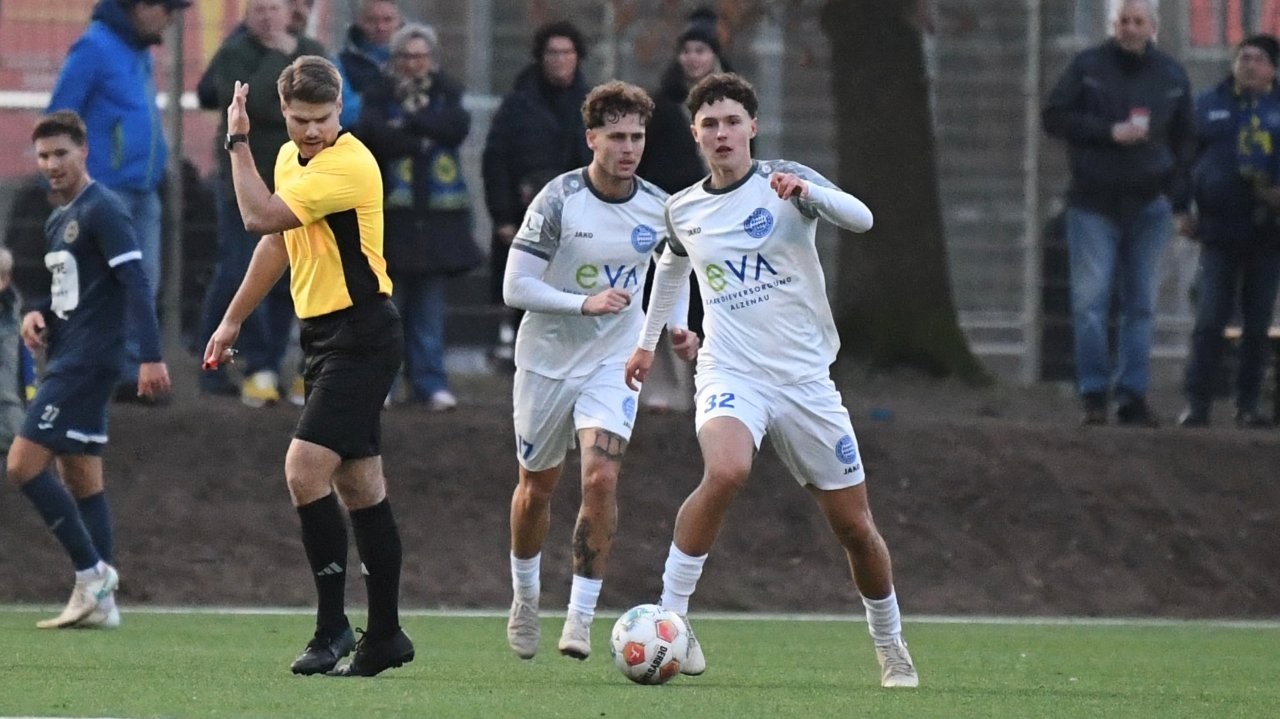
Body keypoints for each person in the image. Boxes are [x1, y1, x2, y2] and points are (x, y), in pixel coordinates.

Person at [624, 73, 919, 689]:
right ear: (695, 134)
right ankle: (672, 619)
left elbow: (863, 219)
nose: (722, 134)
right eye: (710, 124)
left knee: (855, 528)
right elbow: (671, 268)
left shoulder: (785, 181)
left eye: (733, 122)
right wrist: (651, 343)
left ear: (752, 127)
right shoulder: (684, 208)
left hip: (806, 380)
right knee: (727, 470)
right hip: (731, 370)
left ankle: (890, 643)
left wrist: (810, 192)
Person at [203, 56, 413, 677]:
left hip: (364, 334)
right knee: (361, 487)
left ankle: (332, 629)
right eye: (300, 120)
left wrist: (237, 141)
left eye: (323, 117)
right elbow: (279, 241)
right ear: (285, 112)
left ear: (340, 108)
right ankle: (386, 636)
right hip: (323, 336)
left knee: (303, 468)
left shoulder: (349, 163)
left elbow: (257, 217)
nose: (313, 130)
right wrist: (233, 320)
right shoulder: (291, 160)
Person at [502, 80, 697, 661]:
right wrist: (582, 303)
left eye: (637, 136)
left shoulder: (660, 206)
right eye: (616, 136)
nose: (628, 147)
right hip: (546, 361)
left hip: (614, 361)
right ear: (591, 138)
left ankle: (580, 618)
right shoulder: (558, 200)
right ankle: (526, 597)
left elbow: (676, 268)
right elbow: (515, 286)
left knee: (601, 479)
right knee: (536, 488)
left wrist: (677, 325)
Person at [7, 110, 171, 630]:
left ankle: (93, 573)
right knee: (79, 475)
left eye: (61, 153)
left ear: (84, 152)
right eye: (43, 156)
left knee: (22, 465)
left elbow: (135, 282)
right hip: (69, 353)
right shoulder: (60, 218)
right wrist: (39, 315)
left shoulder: (104, 209)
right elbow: (74, 294)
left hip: (87, 361)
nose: (52, 164)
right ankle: (101, 604)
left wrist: (150, 355)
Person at [1042, 0, 1194, 426]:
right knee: (1090, 302)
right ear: (1114, 26)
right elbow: (1055, 116)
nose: (1129, 28)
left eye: (1137, 21)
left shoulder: (1171, 75)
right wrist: (1108, 132)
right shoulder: (1087, 66)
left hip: (1149, 204)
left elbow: (1186, 139)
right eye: (1123, 21)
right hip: (1093, 203)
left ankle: (1132, 394)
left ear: (1152, 28)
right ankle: (1094, 393)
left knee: (1141, 304)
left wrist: (1176, 194)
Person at [46, 0, 188, 400]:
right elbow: (60, 114)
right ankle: (91, 370)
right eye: (167, 8)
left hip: (140, 189)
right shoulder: (95, 48)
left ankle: (126, 373)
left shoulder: (133, 50)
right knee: (104, 285)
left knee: (141, 281)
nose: (170, 18)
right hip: (107, 191)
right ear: (141, 7)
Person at [196, 0, 328, 405]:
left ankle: (273, 363)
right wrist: (278, 58)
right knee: (243, 271)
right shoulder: (235, 54)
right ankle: (254, 365)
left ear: (290, 12)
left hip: (299, 184)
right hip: (244, 185)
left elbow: (317, 108)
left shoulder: (312, 51)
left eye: (273, 8)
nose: (266, 17)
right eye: (257, 9)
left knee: (289, 276)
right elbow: (250, 108)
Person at [358, 23, 478, 410]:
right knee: (388, 309)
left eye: (421, 56)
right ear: (396, 59)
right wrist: (424, 136)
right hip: (393, 221)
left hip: (438, 225)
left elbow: (455, 127)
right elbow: (375, 135)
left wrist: (407, 125)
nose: (414, 63)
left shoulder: (448, 93)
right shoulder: (378, 94)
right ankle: (385, 383)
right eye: (407, 56)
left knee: (429, 312)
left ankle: (430, 383)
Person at [1178, 34, 1280, 428]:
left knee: (1257, 324)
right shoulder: (1210, 105)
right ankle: (1197, 402)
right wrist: (1181, 207)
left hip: (1268, 234)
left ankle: (1248, 403)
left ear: (1272, 69)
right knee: (1209, 320)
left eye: (1258, 59)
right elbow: (1186, 159)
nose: (1249, 65)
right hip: (1218, 230)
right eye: (1243, 58)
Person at [634, 7, 731, 412]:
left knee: (713, 301)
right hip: (672, 219)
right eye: (687, 51)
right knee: (667, 297)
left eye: (700, 50)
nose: (693, 58)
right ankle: (666, 388)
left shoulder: (734, 105)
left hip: (719, 219)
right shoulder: (662, 107)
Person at [482, 20, 593, 368]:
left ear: (577, 57)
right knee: (528, 299)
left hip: (581, 221)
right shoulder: (517, 105)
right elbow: (496, 160)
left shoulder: (592, 104)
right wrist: (502, 216)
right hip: (525, 220)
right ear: (540, 57)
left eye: (566, 52)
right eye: (552, 53)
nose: (559, 60)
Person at [337, 0, 402, 129]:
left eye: (387, 20)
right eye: (372, 20)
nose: (380, 27)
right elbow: (342, 113)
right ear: (359, 22)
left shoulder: (417, 59)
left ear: (399, 22)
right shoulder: (341, 63)